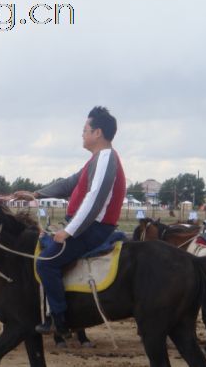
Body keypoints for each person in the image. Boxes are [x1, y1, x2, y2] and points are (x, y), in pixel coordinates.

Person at [14, 106, 126, 337]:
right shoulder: (96, 159)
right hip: (88, 225)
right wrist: (36, 194)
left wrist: (69, 231)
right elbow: (69, 183)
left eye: (85, 130)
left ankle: (60, 320)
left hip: (94, 228)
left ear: (98, 133)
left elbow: (95, 199)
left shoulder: (106, 157)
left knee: (46, 261)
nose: (82, 134)